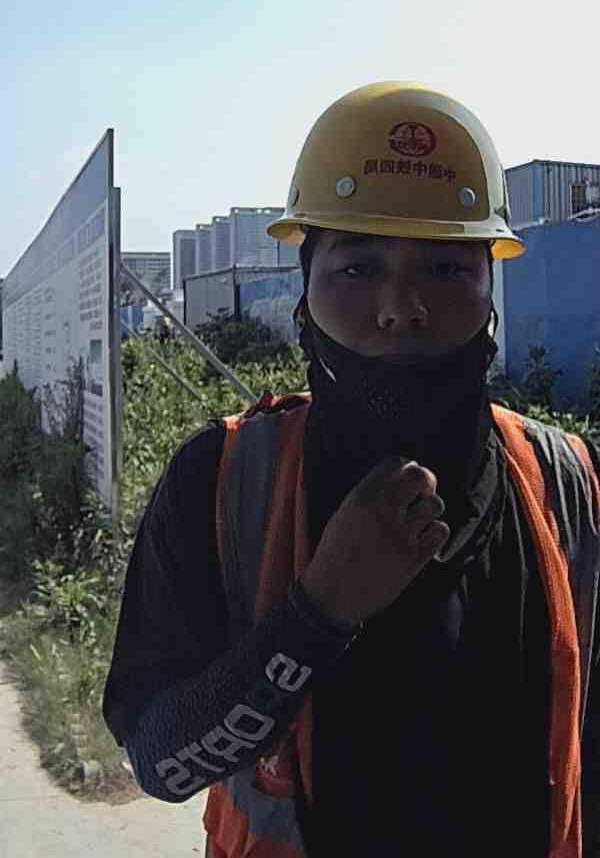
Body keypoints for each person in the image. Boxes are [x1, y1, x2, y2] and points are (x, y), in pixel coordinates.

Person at [103, 82, 600, 858]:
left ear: (489, 291)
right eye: (359, 269)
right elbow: (160, 761)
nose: (401, 308)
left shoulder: (567, 481)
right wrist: (318, 614)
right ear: (304, 295)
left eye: (445, 269)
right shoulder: (220, 481)